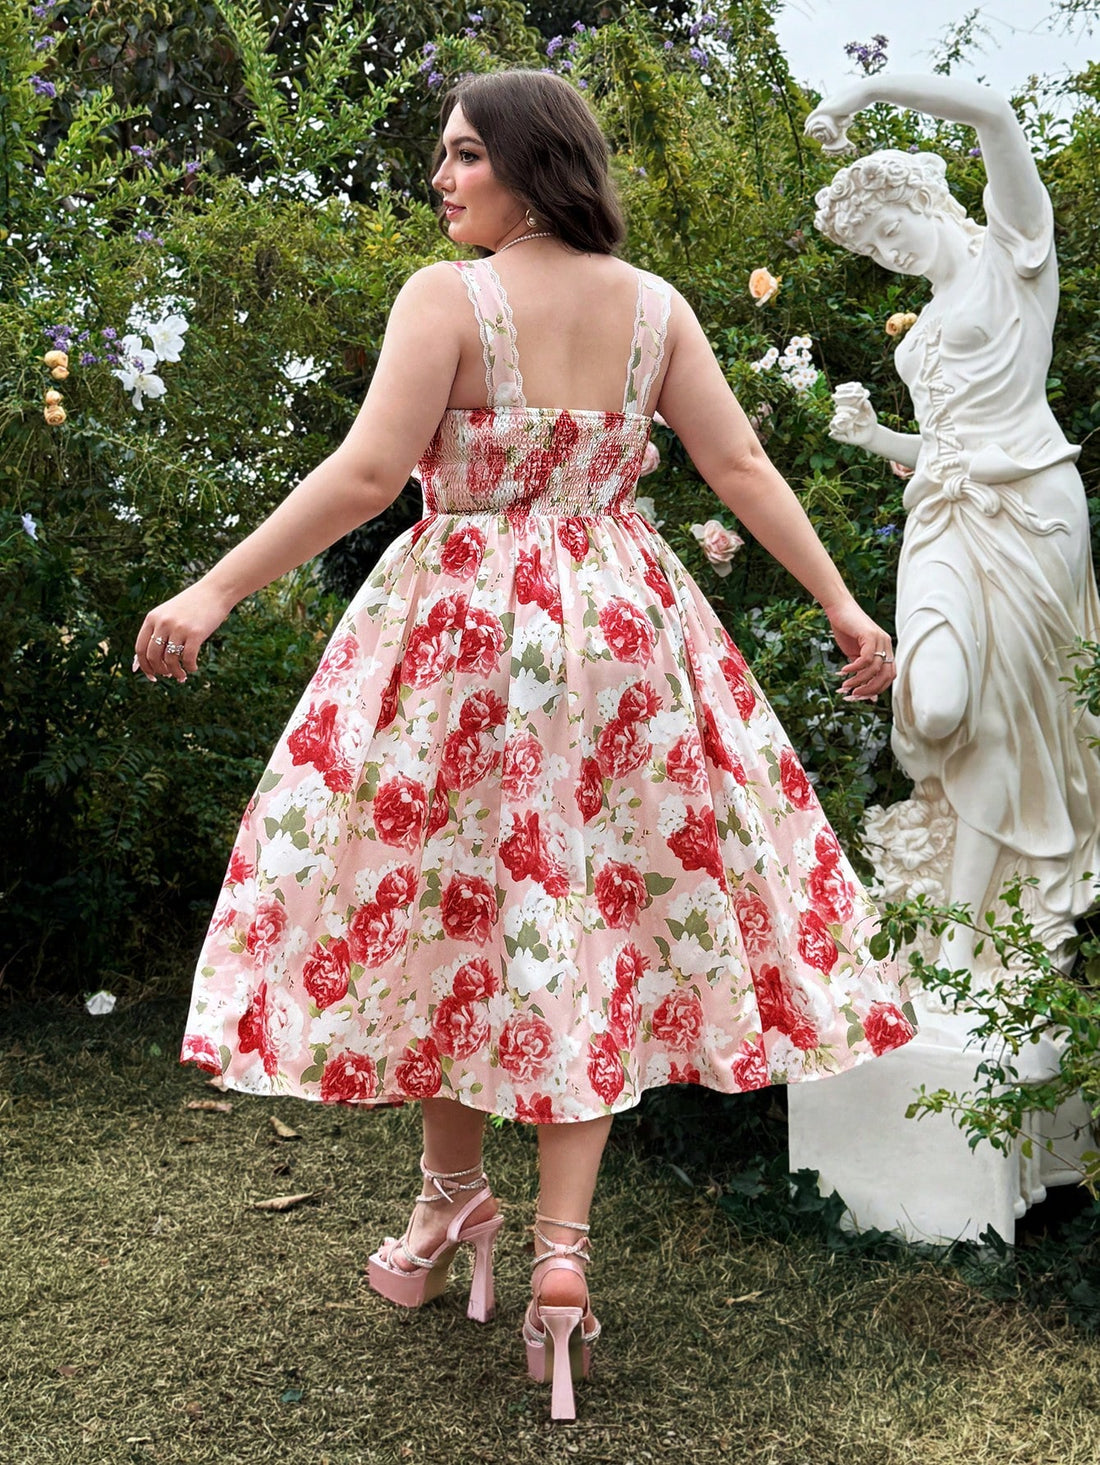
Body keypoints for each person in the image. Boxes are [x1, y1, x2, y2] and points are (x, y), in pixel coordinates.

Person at [139, 69, 915, 1422]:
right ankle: (547, 1255)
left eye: (461, 156)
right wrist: (845, 605)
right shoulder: (655, 307)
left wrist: (213, 591)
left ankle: (455, 1207)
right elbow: (738, 470)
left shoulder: (451, 299)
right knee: (578, 927)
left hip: (465, 645)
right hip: (624, 638)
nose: (444, 180)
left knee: (460, 912)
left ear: (527, 163)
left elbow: (371, 476)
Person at [807, 76, 1100, 983]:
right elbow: (939, 438)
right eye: (871, 249)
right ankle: (961, 933)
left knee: (1003, 719)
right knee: (938, 703)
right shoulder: (919, 332)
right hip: (940, 514)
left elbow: (998, 111)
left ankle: (970, 947)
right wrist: (873, 437)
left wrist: (861, 92)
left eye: (891, 230)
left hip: (1028, 510)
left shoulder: (1016, 255)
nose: (889, 254)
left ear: (926, 198)